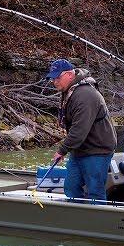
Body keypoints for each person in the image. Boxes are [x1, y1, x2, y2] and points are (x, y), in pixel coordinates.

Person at [46, 59, 117, 202]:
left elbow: (79, 130)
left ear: (69, 75)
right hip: (80, 149)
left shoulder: (85, 95)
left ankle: (97, 221)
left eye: (57, 77)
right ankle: (77, 218)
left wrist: (61, 150)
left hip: (98, 150)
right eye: (52, 78)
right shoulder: (70, 90)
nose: (54, 81)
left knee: (95, 191)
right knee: (71, 188)